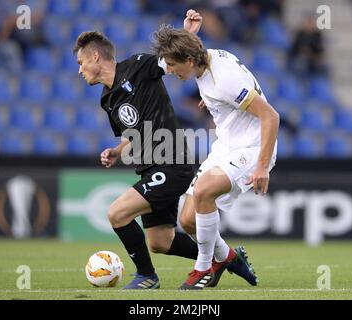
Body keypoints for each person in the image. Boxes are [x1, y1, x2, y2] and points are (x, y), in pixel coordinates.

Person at [153, 9, 280, 289]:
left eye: (173, 66)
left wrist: (261, 166)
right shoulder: (203, 58)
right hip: (227, 145)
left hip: (253, 145)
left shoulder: (225, 81)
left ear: (188, 60)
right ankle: (228, 257)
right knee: (187, 220)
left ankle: (202, 269)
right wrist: (188, 33)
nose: (171, 72)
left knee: (203, 191)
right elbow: (196, 61)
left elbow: (271, 116)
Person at [73, 29, 201, 289]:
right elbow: (132, 134)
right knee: (160, 242)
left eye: (80, 62)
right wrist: (118, 151)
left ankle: (146, 276)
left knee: (117, 213)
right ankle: (223, 258)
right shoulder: (107, 99)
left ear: (95, 57)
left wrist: (189, 32)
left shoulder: (139, 66)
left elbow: (173, 58)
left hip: (172, 162)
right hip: (149, 168)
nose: (79, 70)